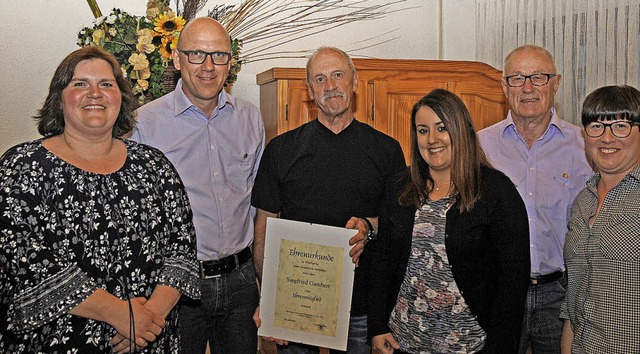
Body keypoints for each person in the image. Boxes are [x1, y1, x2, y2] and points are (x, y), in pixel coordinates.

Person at [0, 46, 200, 353]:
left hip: (150, 337)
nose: (95, 93)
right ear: (59, 98)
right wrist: (118, 313)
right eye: (80, 84)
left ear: (121, 98)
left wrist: (149, 319)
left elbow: (182, 249)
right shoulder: (21, 166)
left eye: (106, 84)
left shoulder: (154, 165)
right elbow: (23, 260)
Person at [251, 46, 407, 354]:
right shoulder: (281, 150)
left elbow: (399, 226)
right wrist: (269, 300)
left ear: (354, 82)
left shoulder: (387, 151)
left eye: (338, 75)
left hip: (362, 306)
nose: (330, 86)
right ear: (309, 91)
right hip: (297, 305)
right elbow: (264, 229)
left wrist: (369, 226)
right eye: (319, 79)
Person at [129, 17, 265, 354]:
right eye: (196, 55)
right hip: (177, 286)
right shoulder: (144, 124)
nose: (208, 66)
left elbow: (261, 202)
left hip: (242, 281)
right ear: (176, 59)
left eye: (218, 55)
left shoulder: (250, 118)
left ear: (230, 63)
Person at [368, 89, 530, 353]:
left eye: (441, 128)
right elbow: (382, 260)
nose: (432, 139)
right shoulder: (399, 187)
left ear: (460, 130)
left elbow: (513, 279)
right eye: (422, 130)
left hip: (470, 345)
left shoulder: (496, 191)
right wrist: (377, 326)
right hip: (404, 341)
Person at [477, 44, 593, 354]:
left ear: (556, 83)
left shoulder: (585, 145)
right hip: (498, 291)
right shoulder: (479, 146)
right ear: (504, 86)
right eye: (517, 78)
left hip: (561, 294)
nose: (528, 87)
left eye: (538, 77)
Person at [559, 85, 640, 353]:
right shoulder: (583, 200)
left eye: (620, 126)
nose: (607, 138)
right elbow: (575, 293)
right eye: (596, 126)